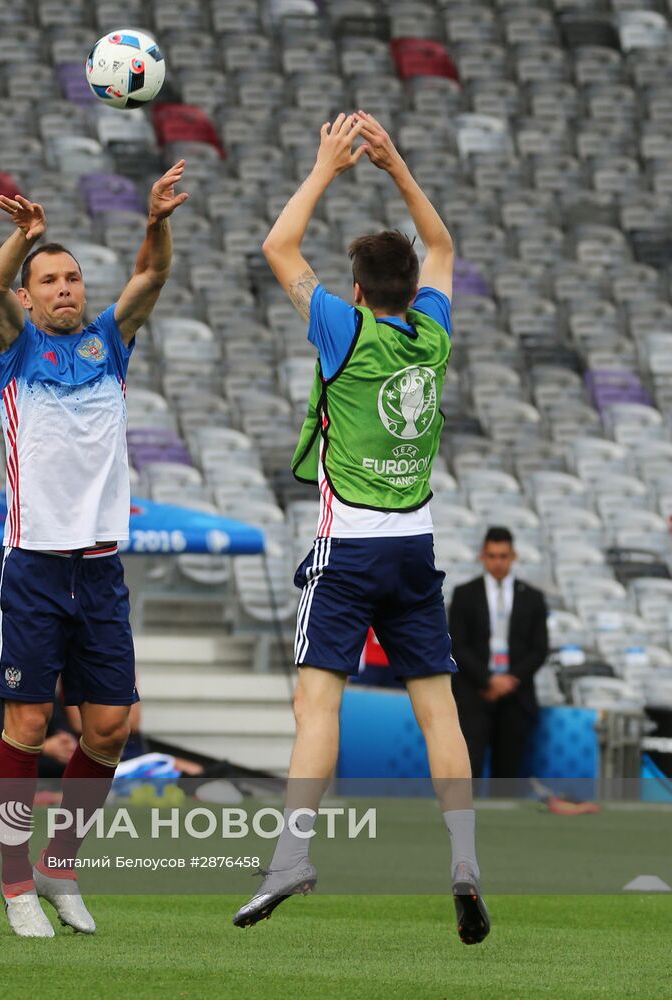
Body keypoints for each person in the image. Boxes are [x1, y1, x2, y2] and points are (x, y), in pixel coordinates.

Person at [236, 112, 489, 946]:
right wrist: (396, 165)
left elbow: (279, 245)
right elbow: (443, 244)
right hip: (415, 548)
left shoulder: (345, 333)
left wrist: (326, 166)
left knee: (317, 706)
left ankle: (292, 857)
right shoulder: (433, 330)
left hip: (346, 552)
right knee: (438, 714)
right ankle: (462, 861)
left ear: (355, 293)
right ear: (412, 286)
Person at [0, 160, 187, 937]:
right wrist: (20, 240)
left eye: (72, 277)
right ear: (31, 297)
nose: (65, 288)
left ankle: (59, 866)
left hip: (100, 567)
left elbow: (151, 277)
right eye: (50, 279)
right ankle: (13, 886)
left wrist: (155, 223)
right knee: (27, 726)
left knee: (108, 728)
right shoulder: (16, 350)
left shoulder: (109, 340)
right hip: (33, 563)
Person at [449, 527, 549, 786]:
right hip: (474, 694)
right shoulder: (464, 595)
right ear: (483, 556)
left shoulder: (533, 598)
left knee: (508, 772)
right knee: (469, 767)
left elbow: (540, 649)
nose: (498, 562)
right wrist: (488, 680)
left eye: (503, 556)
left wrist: (509, 680)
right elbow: (457, 646)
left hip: (516, 697)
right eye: (492, 556)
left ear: (513, 556)